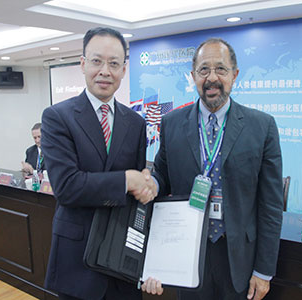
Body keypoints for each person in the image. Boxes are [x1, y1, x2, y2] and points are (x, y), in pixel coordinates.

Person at [145, 38, 284, 300]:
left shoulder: (262, 126)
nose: (212, 78)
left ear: (235, 74)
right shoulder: (171, 123)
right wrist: (151, 183)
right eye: (203, 70)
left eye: (220, 69)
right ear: (193, 76)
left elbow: (271, 205)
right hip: (186, 251)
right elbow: (162, 177)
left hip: (239, 257)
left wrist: (264, 271)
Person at [41, 27, 156, 300]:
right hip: (76, 263)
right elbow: (67, 187)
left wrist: (147, 187)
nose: (105, 71)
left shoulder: (136, 123)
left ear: (124, 69)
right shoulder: (57, 117)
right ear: (82, 64)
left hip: (122, 261)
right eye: (96, 61)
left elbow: (137, 197)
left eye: (114, 63)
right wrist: (126, 180)